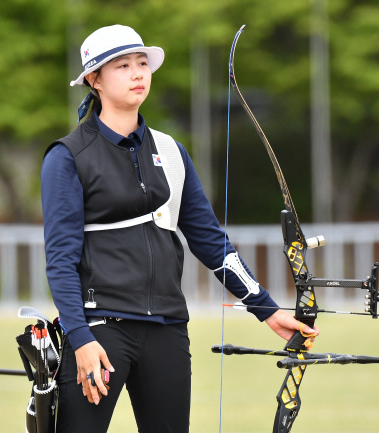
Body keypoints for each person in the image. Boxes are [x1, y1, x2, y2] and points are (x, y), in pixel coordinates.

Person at [40, 25, 318, 433]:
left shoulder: (170, 151)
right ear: (94, 79)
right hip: (100, 330)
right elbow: (60, 260)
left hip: (167, 329)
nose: (138, 73)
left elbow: (209, 240)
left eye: (142, 64)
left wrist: (266, 308)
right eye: (122, 66)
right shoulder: (67, 158)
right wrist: (79, 338)